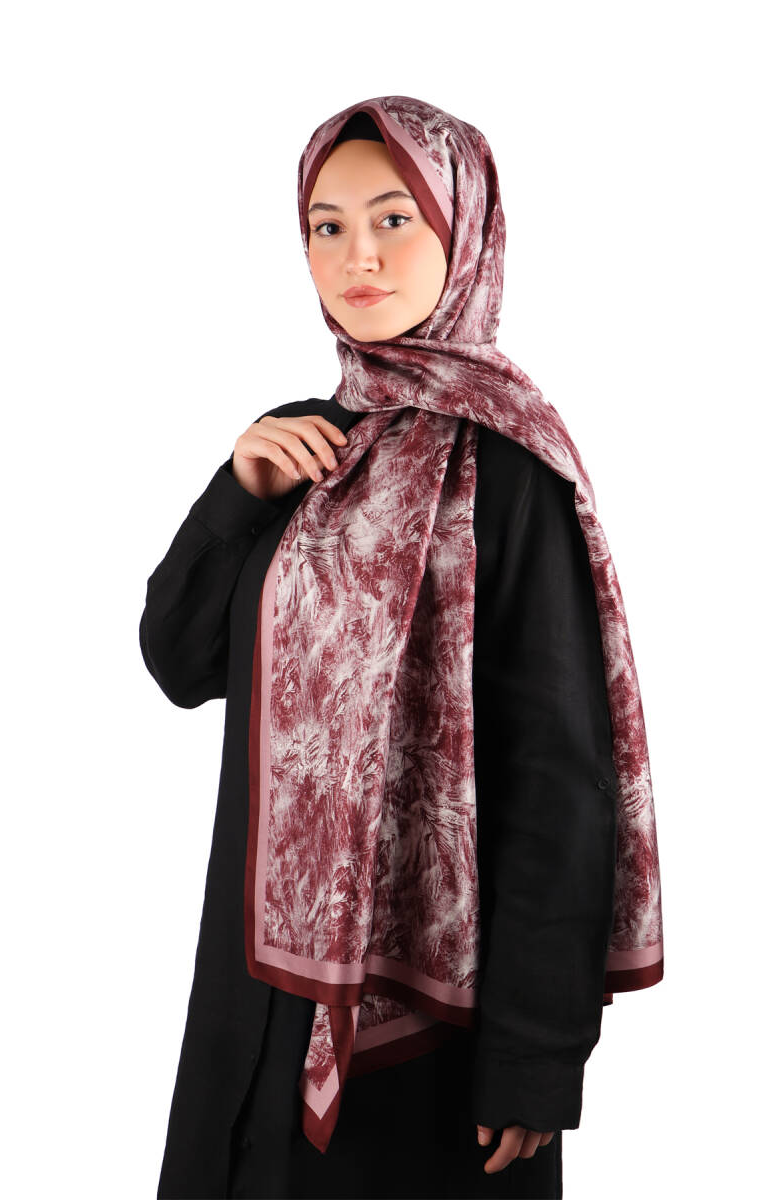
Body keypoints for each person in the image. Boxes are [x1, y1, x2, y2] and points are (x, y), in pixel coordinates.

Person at [140, 95, 664, 1200]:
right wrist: (236, 494)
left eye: (393, 219)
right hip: (255, 1001)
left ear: (463, 232)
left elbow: (556, 781)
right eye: (325, 227)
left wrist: (535, 1057)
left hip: (433, 1037)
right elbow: (179, 662)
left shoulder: (510, 469)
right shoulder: (302, 445)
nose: (358, 257)